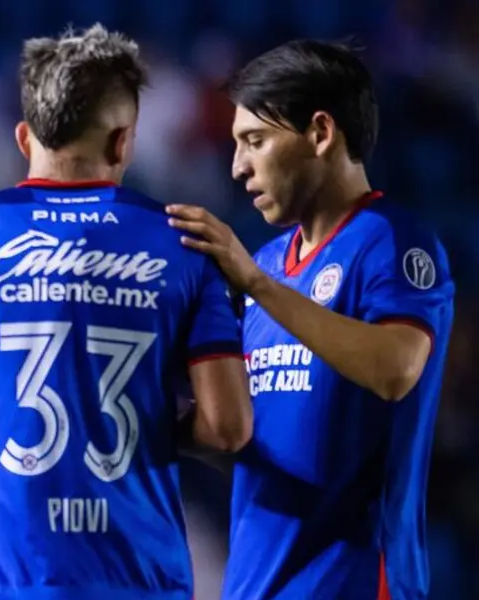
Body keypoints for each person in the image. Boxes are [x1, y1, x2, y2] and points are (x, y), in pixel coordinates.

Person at [0, 24, 253, 600]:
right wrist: (142, 420)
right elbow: (228, 428)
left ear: (24, 136)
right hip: (140, 582)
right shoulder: (186, 243)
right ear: (123, 141)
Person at [167, 40, 455, 600]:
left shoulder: (391, 241)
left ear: (321, 133)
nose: (238, 166)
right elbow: (256, 439)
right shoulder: (270, 264)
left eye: (256, 140)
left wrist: (257, 286)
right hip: (255, 583)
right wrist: (160, 424)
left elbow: (395, 369)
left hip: (352, 584)